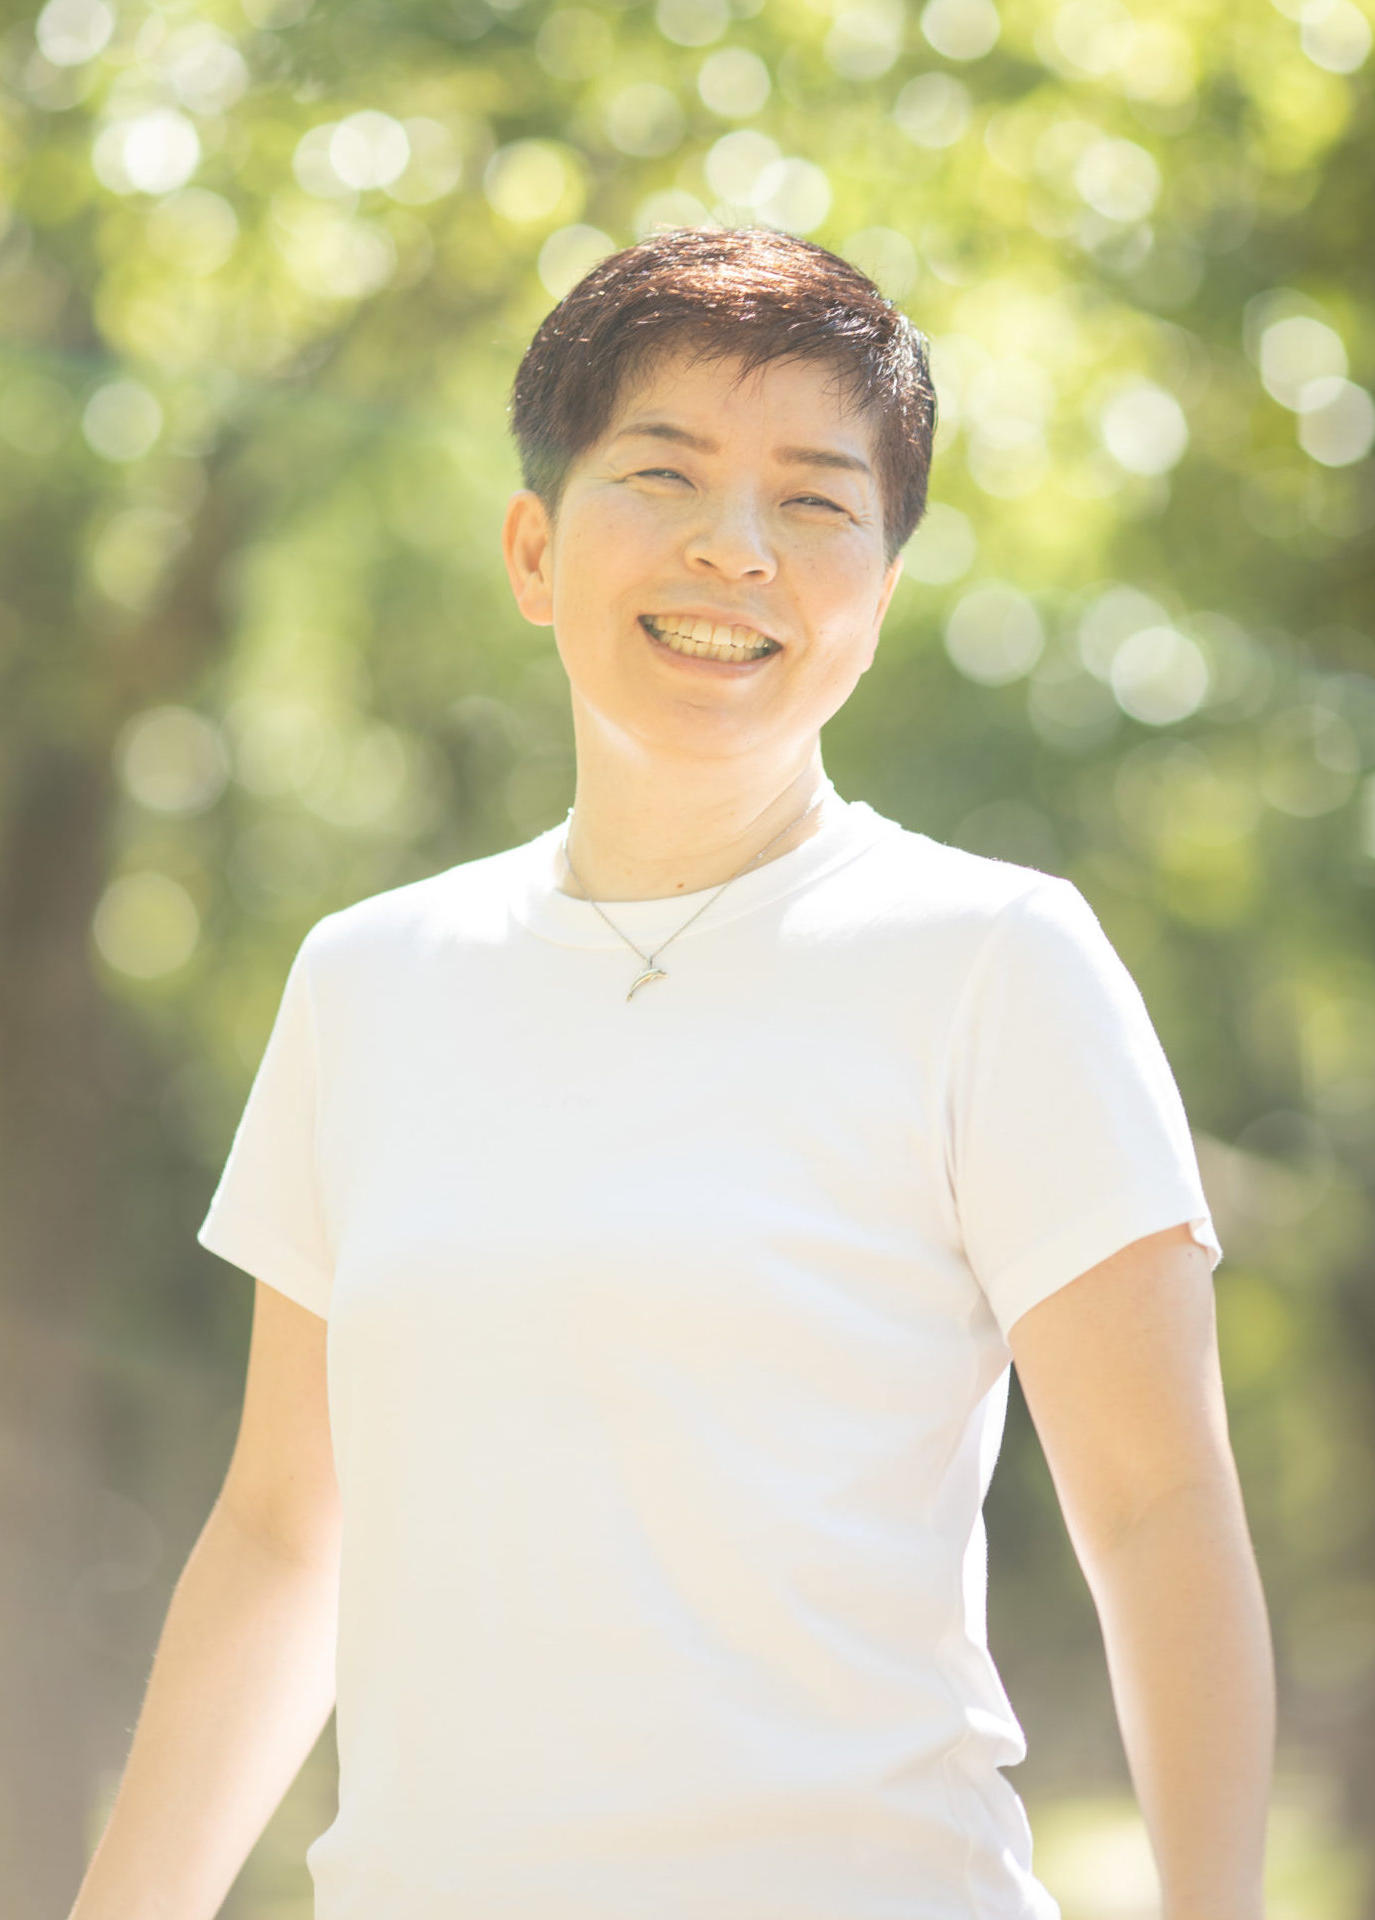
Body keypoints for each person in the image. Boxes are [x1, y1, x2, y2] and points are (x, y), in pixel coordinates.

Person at [68, 225, 1274, 1920]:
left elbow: (1155, 1506)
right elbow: (281, 1532)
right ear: (533, 547)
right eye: (664, 474)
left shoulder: (995, 959)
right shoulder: (368, 982)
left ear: (880, 589)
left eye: (814, 501)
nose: (735, 549)